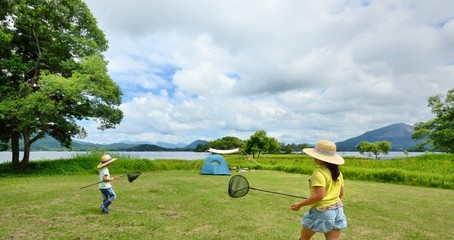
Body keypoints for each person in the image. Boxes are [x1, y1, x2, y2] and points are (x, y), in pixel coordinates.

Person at [290, 140, 347, 240]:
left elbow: (319, 196)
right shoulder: (338, 173)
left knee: (304, 238)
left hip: (322, 211)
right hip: (338, 210)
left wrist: (300, 204)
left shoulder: (319, 172)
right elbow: (340, 194)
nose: (313, 157)